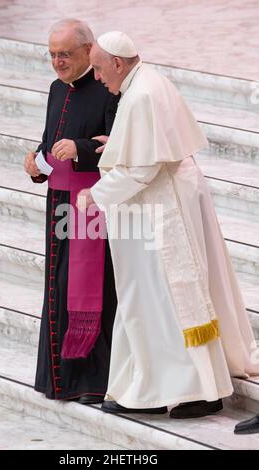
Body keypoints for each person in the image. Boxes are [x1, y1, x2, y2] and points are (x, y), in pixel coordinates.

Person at [77, 31, 259, 418]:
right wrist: (120, 142)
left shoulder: (141, 93)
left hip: (161, 211)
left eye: (98, 66)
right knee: (161, 298)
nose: (95, 76)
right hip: (166, 200)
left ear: (119, 63)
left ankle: (190, 389)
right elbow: (145, 144)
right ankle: (180, 386)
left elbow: (143, 167)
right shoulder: (146, 81)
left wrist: (98, 192)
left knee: (163, 299)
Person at [24, 20, 119, 404]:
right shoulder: (55, 88)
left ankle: (92, 382)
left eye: (65, 54)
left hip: (91, 204)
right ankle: (59, 381)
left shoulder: (107, 90)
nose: (58, 62)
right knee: (58, 288)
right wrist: (37, 162)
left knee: (90, 290)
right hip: (58, 203)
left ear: (87, 51)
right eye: (52, 54)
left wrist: (78, 148)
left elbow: (115, 147)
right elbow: (51, 141)